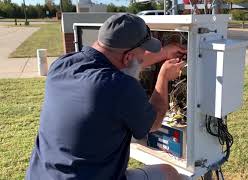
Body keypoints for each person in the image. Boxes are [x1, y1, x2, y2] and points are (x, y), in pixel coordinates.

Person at [26, 13, 186, 180]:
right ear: (128, 57)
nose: (143, 58)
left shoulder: (62, 64)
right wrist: (164, 77)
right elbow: (153, 123)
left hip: (40, 175)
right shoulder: (121, 87)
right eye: (142, 54)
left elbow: (124, 64)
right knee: (170, 174)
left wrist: (164, 54)